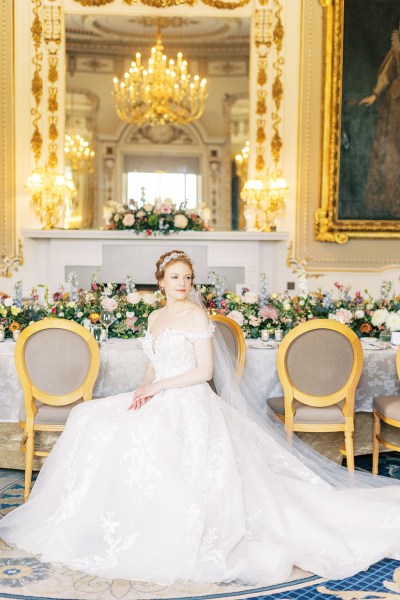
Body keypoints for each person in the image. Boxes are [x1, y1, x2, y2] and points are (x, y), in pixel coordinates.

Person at [2, 249, 400, 585]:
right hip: (157, 395)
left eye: (187, 277)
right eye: (174, 277)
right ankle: (93, 519)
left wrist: (158, 389)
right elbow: (151, 366)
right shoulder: (155, 318)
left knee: (144, 441)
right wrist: (142, 390)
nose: (181, 283)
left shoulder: (195, 316)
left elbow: (204, 373)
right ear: (160, 281)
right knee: (90, 417)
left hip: (188, 400)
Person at [359, 24, 400, 217]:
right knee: (394, 150)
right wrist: (375, 95)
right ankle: (394, 200)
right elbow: (385, 75)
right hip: (396, 103)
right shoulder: (397, 49)